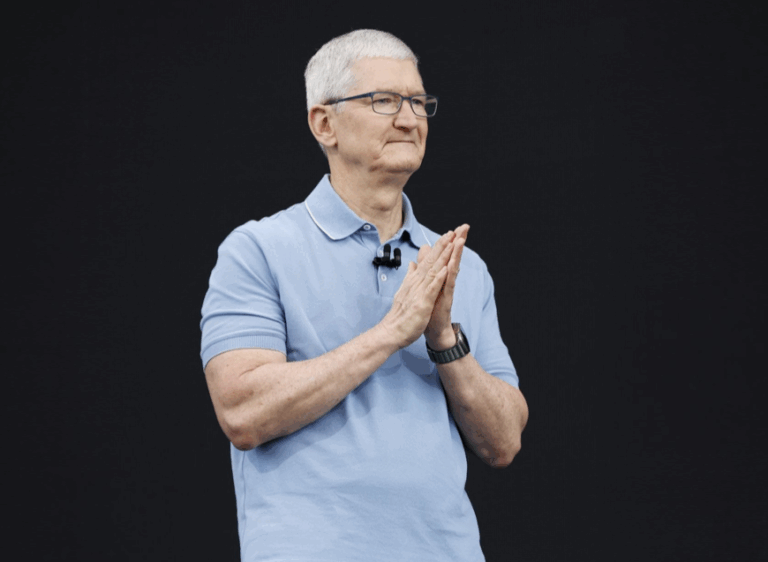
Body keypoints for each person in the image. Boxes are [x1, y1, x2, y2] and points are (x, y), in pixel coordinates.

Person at [200, 29, 529, 562]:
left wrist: (443, 339)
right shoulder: (258, 249)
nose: (409, 119)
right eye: (384, 101)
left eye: (419, 102)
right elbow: (244, 412)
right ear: (323, 123)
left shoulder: (458, 265)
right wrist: (391, 333)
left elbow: (504, 441)